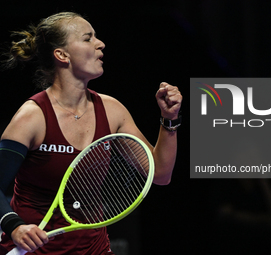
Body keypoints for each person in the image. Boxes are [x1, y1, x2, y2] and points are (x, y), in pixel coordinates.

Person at [0, 12, 182, 254]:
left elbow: (159, 174)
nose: (100, 43)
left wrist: (169, 119)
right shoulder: (33, 117)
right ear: (61, 55)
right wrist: (14, 227)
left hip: (94, 249)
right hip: (33, 250)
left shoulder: (112, 110)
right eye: (88, 38)